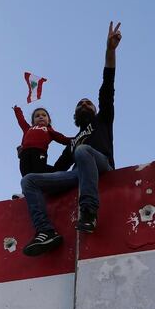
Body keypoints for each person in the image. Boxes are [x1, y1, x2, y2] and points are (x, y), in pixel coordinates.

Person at [21, 22, 122, 257]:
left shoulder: (103, 119)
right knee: (29, 181)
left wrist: (111, 50)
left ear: (96, 109)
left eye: (89, 103)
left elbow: (108, 85)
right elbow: (55, 170)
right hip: (78, 172)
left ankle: (88, 211)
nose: (85, 104)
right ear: (75, 114)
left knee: (83, 152)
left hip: (102, 166)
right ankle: (46, 232)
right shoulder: (74, 140)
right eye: (81, 104)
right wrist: (28, 155)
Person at [13, 106, 71, 177]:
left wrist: (77, 138)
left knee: (39, 171)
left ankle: (56, 176)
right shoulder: (28, 129)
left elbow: (63, 139)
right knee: (26, 174)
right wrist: (17, 110)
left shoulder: (49, 130)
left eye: (44, 115)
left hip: (39, 152)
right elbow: (21, 120)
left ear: (49, 120)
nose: (40, 117)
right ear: (33, 121)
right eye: (37, 116)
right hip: (25, 154)